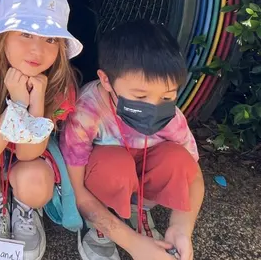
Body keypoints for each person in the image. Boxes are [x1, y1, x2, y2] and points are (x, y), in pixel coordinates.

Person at [60, 21, 204, 260]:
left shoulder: (172, 117)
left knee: (179, 160)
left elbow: (194, 176)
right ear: (106, 81)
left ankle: (139, 208)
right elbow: (78, 191)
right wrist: (131, 244)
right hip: (102, 179)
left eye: (167, 96)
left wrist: (181, 228)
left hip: (141, 173)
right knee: (113, 165)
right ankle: (101, 225)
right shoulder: (86, 113)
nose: (154, 107)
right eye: (140, 96)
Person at [0, 0, 83, 260]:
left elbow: (29, 154)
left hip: (29, 156)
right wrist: (16, 106)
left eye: (50, 39)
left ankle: (25, 205)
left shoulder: (60, 84)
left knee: (37, 186)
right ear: (1, 37)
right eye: (25, 34)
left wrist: (35, 103)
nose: (37, 49)